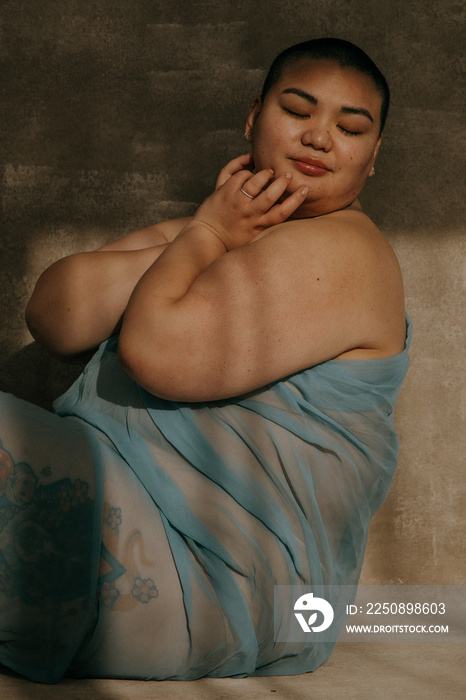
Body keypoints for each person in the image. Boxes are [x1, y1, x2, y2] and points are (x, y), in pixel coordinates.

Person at [0, 38, 410, 682]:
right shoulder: (224, 230)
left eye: (350, 126)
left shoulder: (347, 252)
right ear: (254, 117)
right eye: (298, 111)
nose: (320, 138)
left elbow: (156, 351)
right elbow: (56, 314)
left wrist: (209, 238)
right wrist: (207, 234)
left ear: (374, 155)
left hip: (217, 588)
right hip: (158, 551)